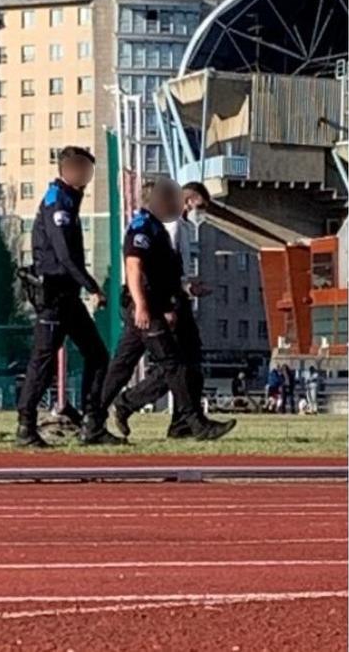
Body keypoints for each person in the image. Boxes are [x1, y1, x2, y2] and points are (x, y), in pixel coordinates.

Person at [99, 179, 235, 441]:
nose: (201, 212)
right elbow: (140, 267)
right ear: (187, 200)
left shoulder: (177, 226)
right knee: (175, 365)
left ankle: (113, 411)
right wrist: (168, 304)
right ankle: (180, 418)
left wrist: (187, 288)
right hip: (156, 304)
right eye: (200, 205)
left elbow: (170, 271)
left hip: (163, 300)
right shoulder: (166, 226)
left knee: (146, 362)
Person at [16, 146, 121, 447]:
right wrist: (92, 286)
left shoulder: (68, 200)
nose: (88, 179)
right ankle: (26, 426)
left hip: (67, 295)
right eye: (84, 171)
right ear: (69, 170)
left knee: (97, 355)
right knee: (43, 360)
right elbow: (63, 255)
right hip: (54, 294)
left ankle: (92, 424)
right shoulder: (57, 203)